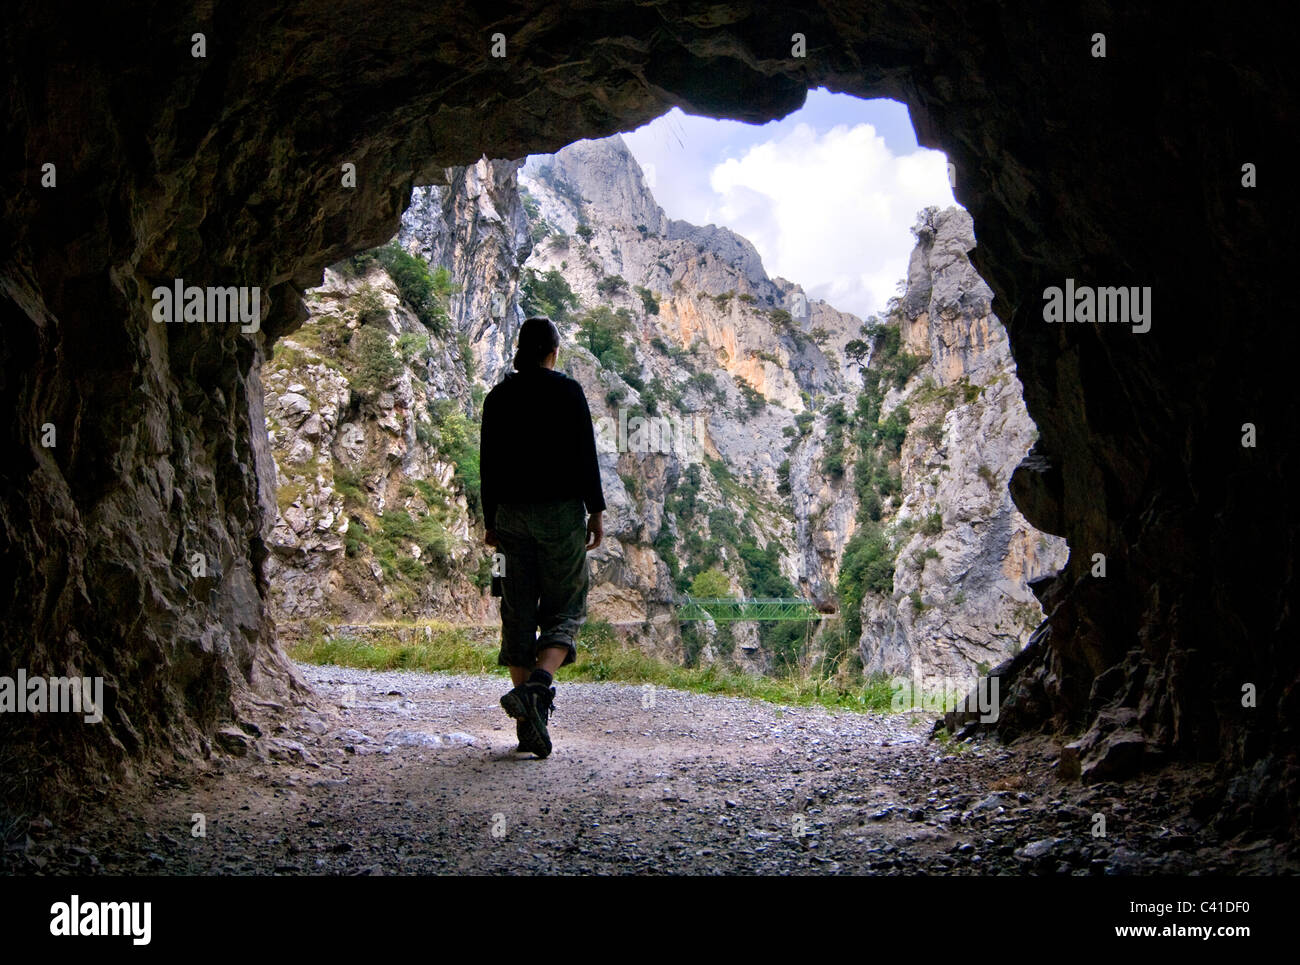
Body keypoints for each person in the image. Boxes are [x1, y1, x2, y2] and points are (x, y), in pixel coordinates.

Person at [479, 316, 605, 757]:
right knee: (566, 607)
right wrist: (596, 511)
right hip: (560, 515)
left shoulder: (498, 397)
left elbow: (488, 463)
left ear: (519, 350)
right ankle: (538, 687)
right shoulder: (568, 392)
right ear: (553, 352)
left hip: (510, 517)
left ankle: (527, 726)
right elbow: (585, 453)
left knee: (516, 610)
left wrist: (489, 519)